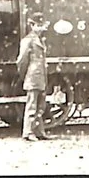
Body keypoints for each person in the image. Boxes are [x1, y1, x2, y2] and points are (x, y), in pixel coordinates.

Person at [17, 12, 51, 141]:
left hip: (41, 76)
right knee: (31, 105)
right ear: (32, 25)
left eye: (41, 25)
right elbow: (21, 61)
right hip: (33, 76)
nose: (41, 28)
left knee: (40, 106)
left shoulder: (40, 40)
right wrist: (26, 74)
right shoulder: (28, 41)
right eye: (38, 25)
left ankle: (39, 131)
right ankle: (28, 132)